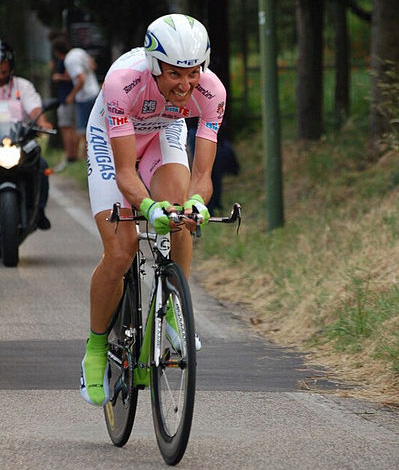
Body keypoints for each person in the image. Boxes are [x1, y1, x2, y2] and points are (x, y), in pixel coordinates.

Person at [80, 14, 226, 406]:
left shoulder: (211, 91)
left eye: (194, 72)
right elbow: (125, 173)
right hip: (114, 136)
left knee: (180, 215)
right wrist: (146, 206)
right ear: (155, 65)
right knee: (122, 246)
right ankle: (95, 349)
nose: (186, 84)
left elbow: (202, 173)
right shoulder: (121, 82)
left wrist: (196, 203)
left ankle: (175, 310)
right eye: (175, 74)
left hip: (164, 131)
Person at [0, 40, 53, 229]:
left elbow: (34, 109)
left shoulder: (23, 86)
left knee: (42, 165)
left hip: (19, 142)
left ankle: (38, 210)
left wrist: (42, 123)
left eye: (3, 64)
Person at [52, 37, 99, 159]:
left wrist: (71, 95)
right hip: (95, 91)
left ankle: (88, 156)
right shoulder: (79, 51)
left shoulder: (69, 60)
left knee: (84, 130)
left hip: (84, 97)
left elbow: (81, 79)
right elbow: (92, 65)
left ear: (58, 52)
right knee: (95, 126)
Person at [48, 31, 79, 171]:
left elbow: (71, 76)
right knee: (71, 127)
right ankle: (73, 156)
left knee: (67, 127)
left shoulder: (67, 60)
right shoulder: (73, 56)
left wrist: (58, 77)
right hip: (68, 97)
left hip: (67, 97)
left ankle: (71, 156)